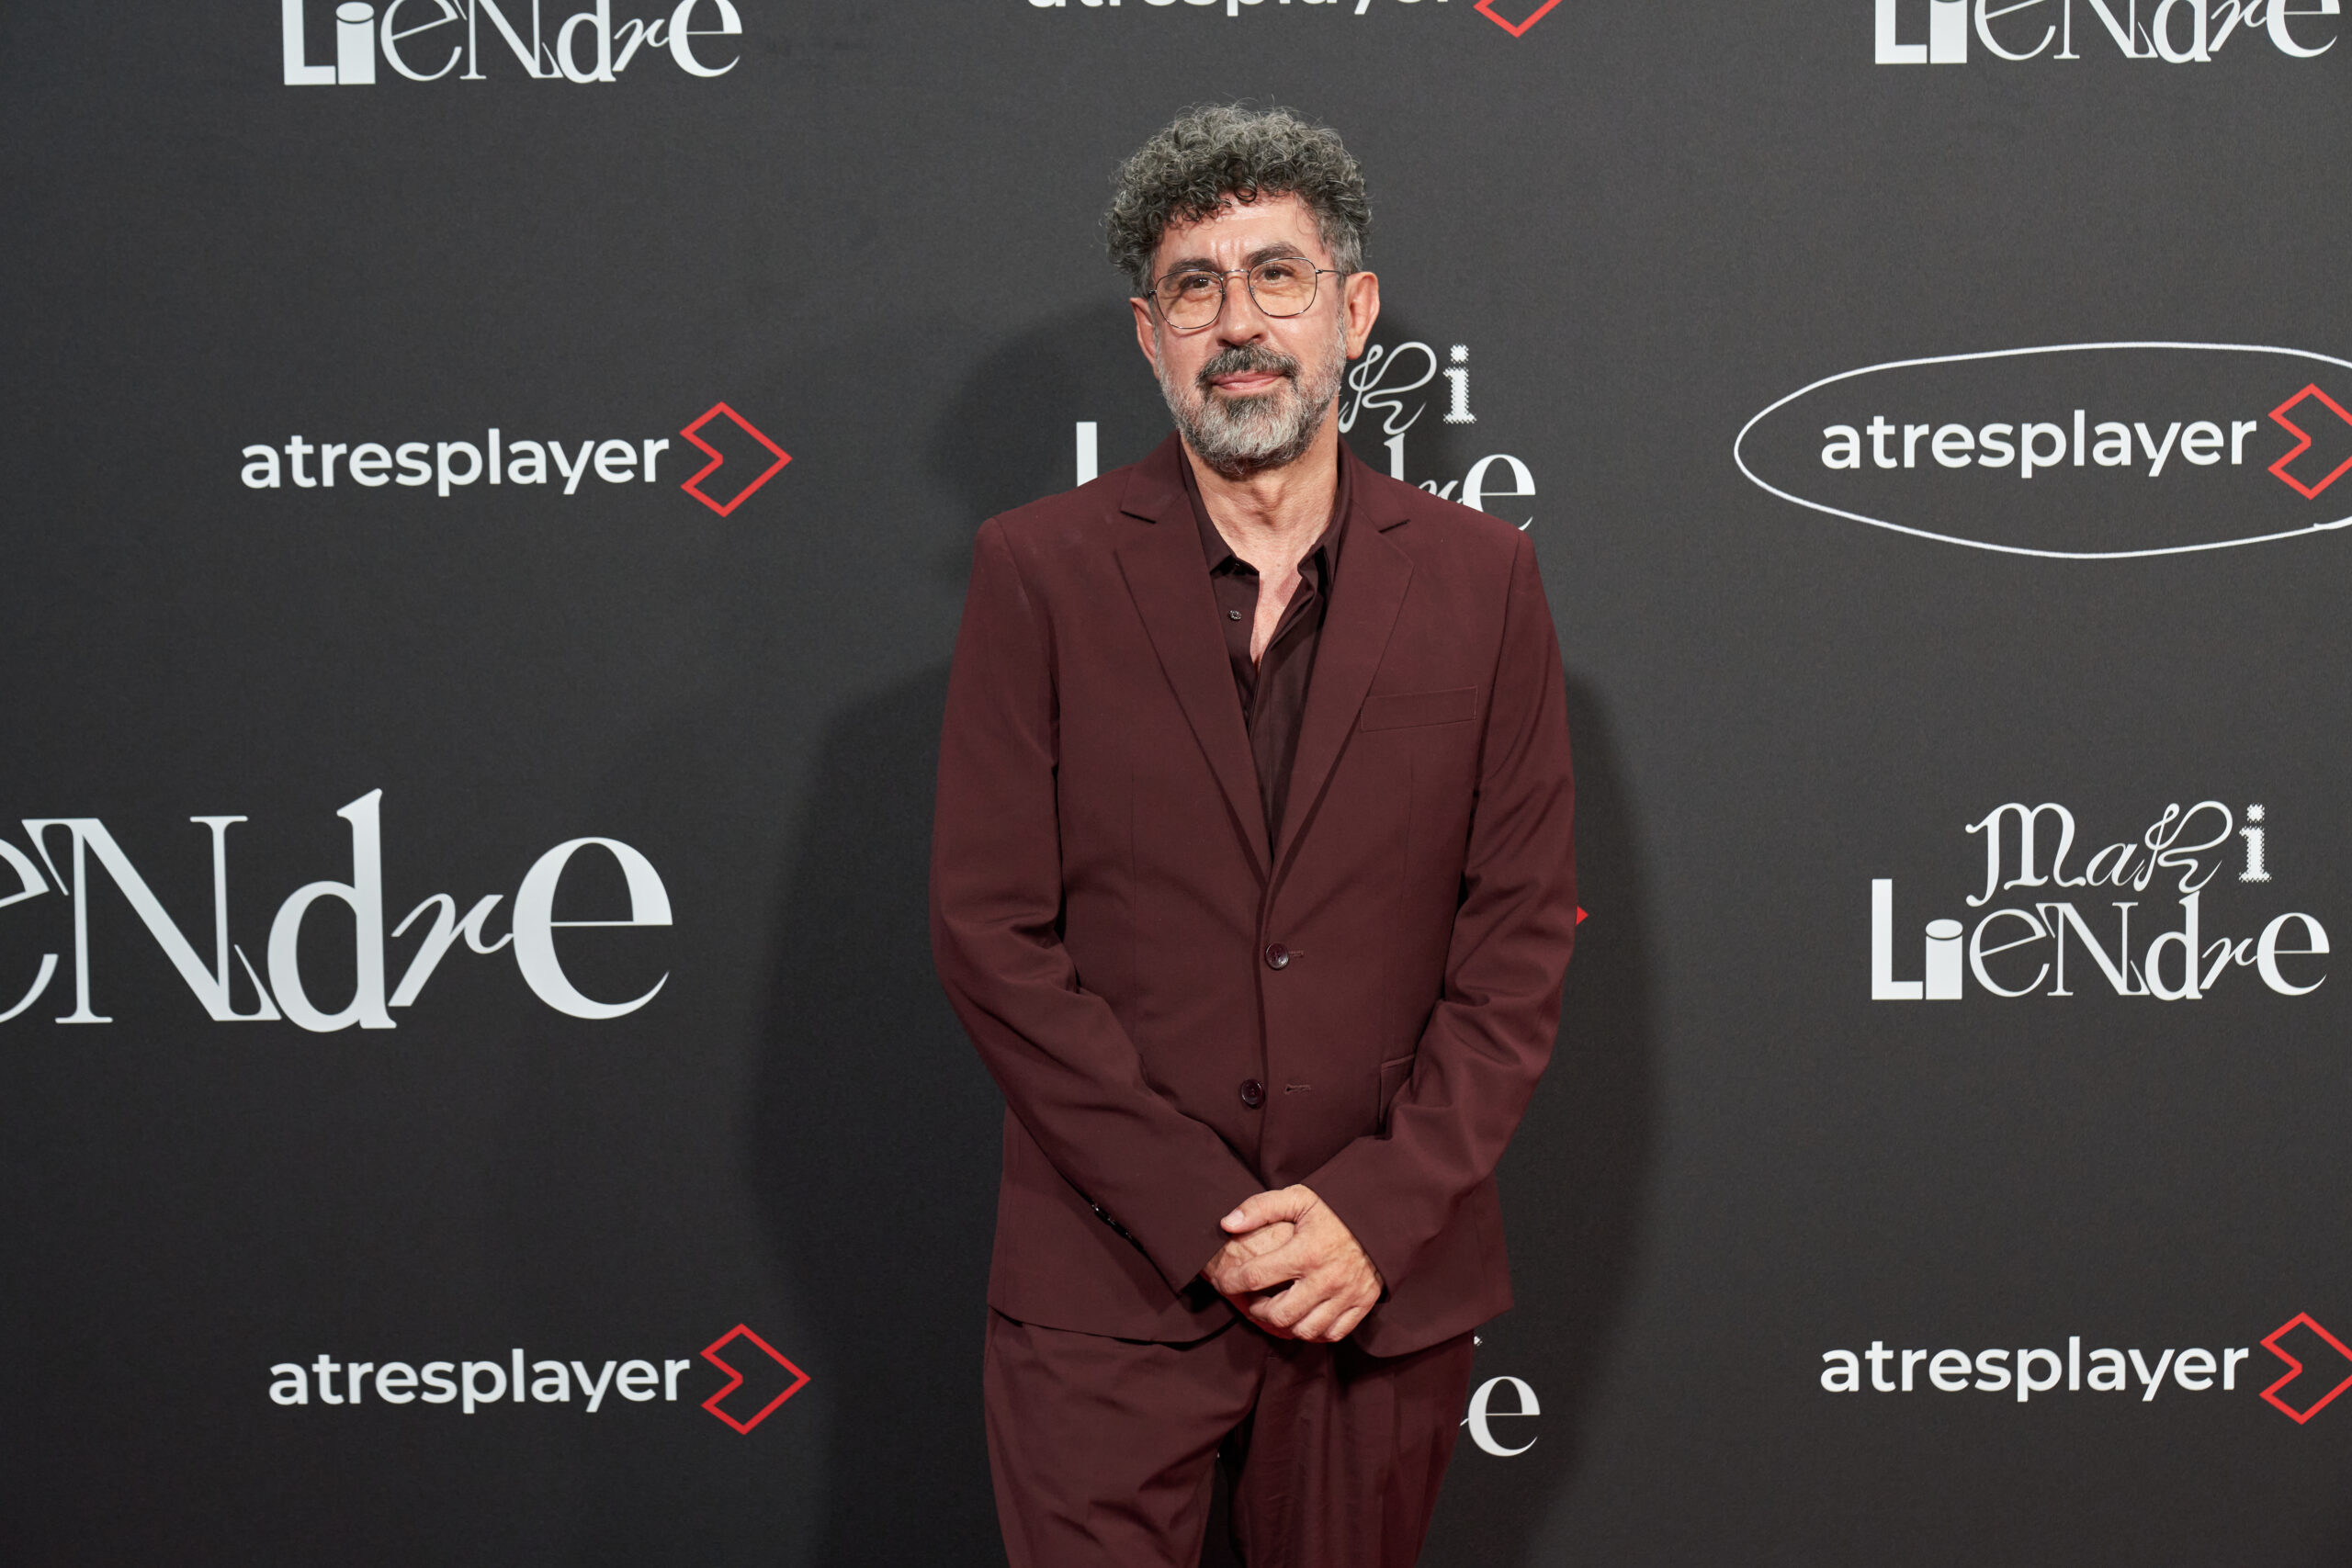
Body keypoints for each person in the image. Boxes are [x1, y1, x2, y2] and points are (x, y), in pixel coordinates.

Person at [929, 103, 1577, 1567]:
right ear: (1150, 335)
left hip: (1376, 1287)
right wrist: (1199, 1211)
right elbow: (990, 937)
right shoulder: (1037, 574)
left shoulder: (1485, 584)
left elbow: (1521, 940)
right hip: (1107, 1289)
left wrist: (1375, 1213)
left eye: (1277, 277)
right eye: (1195, 287)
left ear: (1352, 311)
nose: (1239, 324)